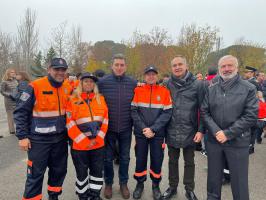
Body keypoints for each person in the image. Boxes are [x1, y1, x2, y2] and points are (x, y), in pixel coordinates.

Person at [14, 58, 72, 200]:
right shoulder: (35, 86)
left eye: (63, 70)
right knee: (35, 175)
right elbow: (20, 112)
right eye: (56, 69)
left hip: (60, 140)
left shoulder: (67, 87)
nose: (60, 72)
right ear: (48, 69)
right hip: (39, 141)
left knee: (58, 172)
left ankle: (54, 197)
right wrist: (22, 137)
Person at [201, 55, 258, 200]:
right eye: (223, 66)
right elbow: (204, 111)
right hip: (214, 142)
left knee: (239, 183)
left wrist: (227, 133)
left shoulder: (249, 88)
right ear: (219, 69)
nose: (226, 69)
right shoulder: (211, 87)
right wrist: (216, 131)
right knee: (213, 181)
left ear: (236, 67)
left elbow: (250, 115)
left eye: (230, 65)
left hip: (238, 142)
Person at [162, 55, 204, 200]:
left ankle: (189, 189)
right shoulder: (166, 84)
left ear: (186, 66)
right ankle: (172, 187)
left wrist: (201, 129)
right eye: (174, 65)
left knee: (189, 162)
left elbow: (204, 109)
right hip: (171, 129)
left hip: (190, 130)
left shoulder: (198, 85)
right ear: (171, 68)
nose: (177, 67)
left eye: (180, 64)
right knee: (172, 161)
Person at [98, 54, 137, 199]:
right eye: (117, 65)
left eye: (122, 65)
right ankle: (108, 183)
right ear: (112, 66)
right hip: (108, 129)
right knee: (107, 159)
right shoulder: (102, 83)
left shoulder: (132, 83)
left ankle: (123, 183)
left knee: (125, 158)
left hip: (126, 127)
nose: (119, 67)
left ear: (125, 67)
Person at [131, 66, 172, 200]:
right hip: (141, 133)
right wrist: (144, 128)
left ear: (156, 76)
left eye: (153, 74)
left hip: (158, 134)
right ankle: (140, 184)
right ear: (144, 76)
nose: (150, 76)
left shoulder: (164, 92)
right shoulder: (138, 90)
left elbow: (167, 113)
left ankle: (155, 185)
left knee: (157, 160)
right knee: (140, 159)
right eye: (148, 74)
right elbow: (134, 111)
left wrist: (153, 129)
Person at [66, 72, 108, 200]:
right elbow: (70, 123)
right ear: (81, 83)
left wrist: (98, 138)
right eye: (86, 81)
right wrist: (85, 142)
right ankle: (83, 195)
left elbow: (106, 120)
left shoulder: (101, 99)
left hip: (98, 145)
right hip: (80, 147)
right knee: (82, 173)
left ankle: (95, 195)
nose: (89, 83)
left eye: (91, 81)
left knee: (97, 172)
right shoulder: (72, 100)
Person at [243, 66, 261, 154]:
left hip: (250, 108)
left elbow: (260, 96)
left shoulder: (252, 82)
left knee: (251, 128)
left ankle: (249, 146)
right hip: (253, 108)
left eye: (247, 72)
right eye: (245, 72)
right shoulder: (256, 82)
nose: (245, 74)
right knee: (252, 128)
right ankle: (251, 146)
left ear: (252, 73)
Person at [0, 68, 18, 135]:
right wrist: (10, 95)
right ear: (8, 73)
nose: (13, 73)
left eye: (14, 72)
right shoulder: (4, 81)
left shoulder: (15, 81)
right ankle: (12, 130)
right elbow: (2, 91)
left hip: (16, 100)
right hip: (9, 101)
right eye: (11, 72)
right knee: (10, 115)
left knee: (17, 114)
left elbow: (17, 89)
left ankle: (18, 128)